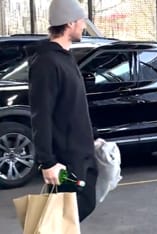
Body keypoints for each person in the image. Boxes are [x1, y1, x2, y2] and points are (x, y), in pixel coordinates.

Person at [28, 0, 97, 222]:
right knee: (63, 217)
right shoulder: (47, 62)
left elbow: (70, 109)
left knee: (74, 211)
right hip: (64, 160)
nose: (83, 26)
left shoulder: (65, 58)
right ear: (69, 23)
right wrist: (47, 162)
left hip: (79, 154)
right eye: (80, 21)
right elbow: (41, 115)